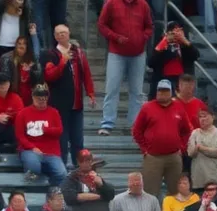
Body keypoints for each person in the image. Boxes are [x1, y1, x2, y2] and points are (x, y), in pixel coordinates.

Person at [42, 24, 95, 166]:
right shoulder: (50, 54)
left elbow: (86, 74)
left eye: (64, 32)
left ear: (69, 33)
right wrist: (63, 62)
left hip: (77, 104)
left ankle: (79, 169)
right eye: (58, 33)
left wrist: (90, 93)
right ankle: (62, 169)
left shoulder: (78, 52)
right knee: (62, 140)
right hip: (59, 105)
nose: (62, 35)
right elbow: (49, 75)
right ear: (54, 36)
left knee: (78, 140)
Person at [97, 0, 153, 136]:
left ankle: (135, 125)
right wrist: (115, 37)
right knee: (112, 88)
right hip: (116, 52)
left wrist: (143, 37)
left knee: (137, 91)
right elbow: (101, 25)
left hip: (138, 53)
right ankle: (107, 123)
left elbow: (149, 26)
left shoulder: (143, 4)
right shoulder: (111, 3)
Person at [133, 80, 191, 198]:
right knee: (150, 193)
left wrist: (182, 147)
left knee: (177, 192)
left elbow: (187, 130)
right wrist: (145, 150)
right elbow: (136, 131)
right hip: (153, 157)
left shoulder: (179, 107)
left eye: (165, 90)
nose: (162, 93)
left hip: (174, 157)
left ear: (171, 92)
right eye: (160, 90)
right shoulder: (147, 107)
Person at [15, 84, 66, 186]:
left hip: (51, 152)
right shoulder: (23, 113)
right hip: (30, 150)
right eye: (39, 98)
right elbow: (20, 136)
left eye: (44, 98)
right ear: (33, 97)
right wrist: (32, 147)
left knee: (62, 173)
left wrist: (45, 130)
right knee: (34, 167)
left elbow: (59, 131)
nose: (42, 100)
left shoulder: (54, 112)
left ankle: (53, 191)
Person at [187, 108, 217, 191]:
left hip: (215, 178)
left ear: (213, 117)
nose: (202, 119)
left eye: (205, 116)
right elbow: (190, 153)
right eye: (200, 117)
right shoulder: (195, 133)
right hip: (198, 178)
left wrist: (201, 148)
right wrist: (196, 148)